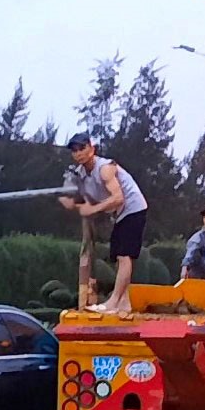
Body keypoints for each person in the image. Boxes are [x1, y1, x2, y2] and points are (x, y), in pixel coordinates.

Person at [60, 132, 148, 315]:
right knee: (118, 256)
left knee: (124, 256)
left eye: (82, 148)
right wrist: (71, 201)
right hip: (120, 214)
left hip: (133, 208)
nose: (78, 153)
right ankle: (124, 303)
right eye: (74, 150)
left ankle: (114, 302)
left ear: (92, 149)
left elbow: (118, 198)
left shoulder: (105, 168)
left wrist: (93, 209)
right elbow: (80, 195)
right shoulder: (81, 173)